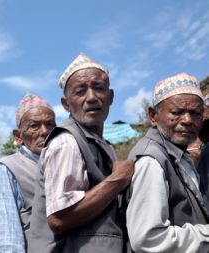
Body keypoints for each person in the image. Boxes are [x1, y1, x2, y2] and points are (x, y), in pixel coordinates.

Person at [28, 53, 134, 253]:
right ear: (66, 104)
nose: (92, 97)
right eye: (80, 90)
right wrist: (118, 179)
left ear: (110, 97)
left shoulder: (103, 145)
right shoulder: (66, 142)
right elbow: (59, 218)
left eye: (99, 88)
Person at [126, 73, 209, 252]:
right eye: (177, 112)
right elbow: (148, 239)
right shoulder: (151, 160)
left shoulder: (177, 154)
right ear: (153, 116)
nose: (187, 120)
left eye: (195, 113)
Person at [0, 92, 56, 253]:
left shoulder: (65, 162)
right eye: (35, 126)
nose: (44, 131)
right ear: (18, 136)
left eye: (50, 124)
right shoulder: (7, 168)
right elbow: (6, 239)